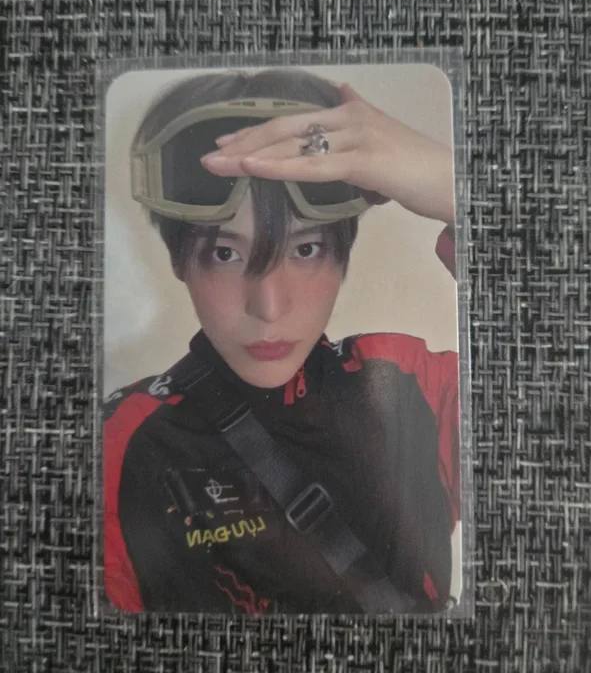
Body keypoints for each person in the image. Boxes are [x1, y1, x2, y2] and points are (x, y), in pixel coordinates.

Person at [103, 68, 460, 615]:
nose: (269, 307)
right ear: (180, 260)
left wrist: (459, 187)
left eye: (306, 248)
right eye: (225, 253)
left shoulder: (410, 384)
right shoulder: (120, 448)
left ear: (342, 252)